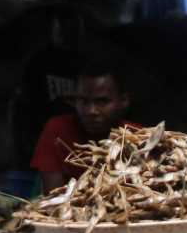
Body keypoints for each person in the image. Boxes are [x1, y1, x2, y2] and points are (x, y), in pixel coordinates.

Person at [30, 57, 137, 192]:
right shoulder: (58, 130)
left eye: (102, 101)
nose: (91, 111)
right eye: (83, 101)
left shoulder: (138, 137)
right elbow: (53, 196)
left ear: (123, 101)